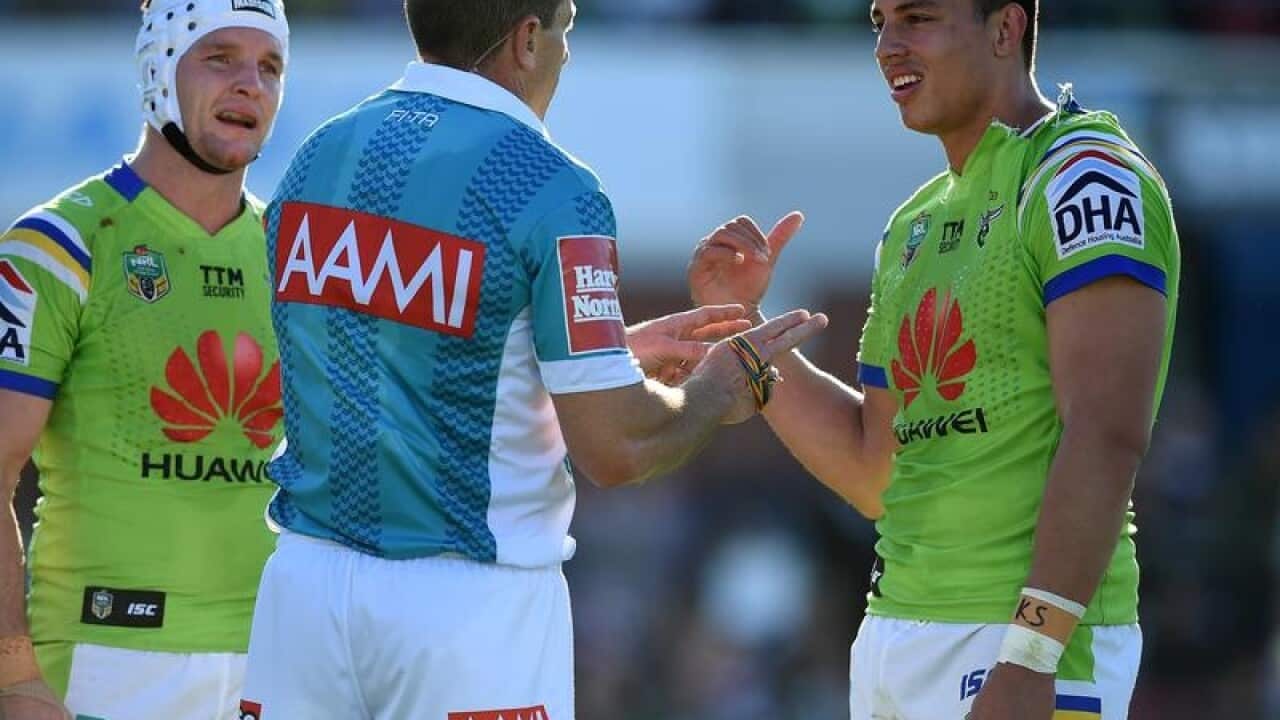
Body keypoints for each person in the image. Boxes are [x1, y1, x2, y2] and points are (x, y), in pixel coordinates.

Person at [236, 0, 828, 718]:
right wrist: (718, 383)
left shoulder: (317, 156)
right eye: (566, 29)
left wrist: (595, 356)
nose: (567, 54)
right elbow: (616, 449)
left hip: (302, 590)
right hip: (468, 606)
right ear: (526, 39)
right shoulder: (550, 186)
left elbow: (383, 346)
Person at [688, 1, 1180, 718]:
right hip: (895, 632)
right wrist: (745, 331)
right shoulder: (913, 225)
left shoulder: (1084, 178)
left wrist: (1033, 652)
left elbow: (1106, 434)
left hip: (1027, 643)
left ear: (1005, 29)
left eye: (918, 18)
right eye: (879, 21)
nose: (888, 45)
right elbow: (877, 471)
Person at [0, 1, 291, 718]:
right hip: (104, 663)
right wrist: (15, 675)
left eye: (270, 65)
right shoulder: (59, 244)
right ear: (159, 69)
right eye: (220, 57)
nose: (250, 83)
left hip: (276, 666)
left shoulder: (294, 255)